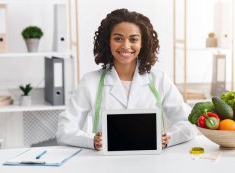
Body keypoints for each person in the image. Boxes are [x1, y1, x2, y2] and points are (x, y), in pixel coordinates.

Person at [56, 8, 197, 150]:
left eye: (133, 39)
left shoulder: (160, 79)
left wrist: (168, 138)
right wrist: (92, 140)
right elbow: (64, 130)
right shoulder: (90, 82)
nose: (126, 46)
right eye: (118, 38)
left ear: (143, 43)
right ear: (108, 42)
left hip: (151, 162)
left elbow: (190, 123)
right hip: (104, 163)